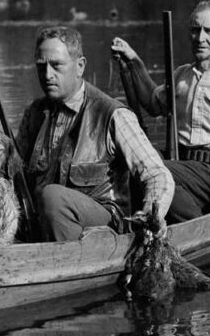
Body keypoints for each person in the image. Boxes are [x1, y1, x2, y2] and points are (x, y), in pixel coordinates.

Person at [110, 0, 210, 223]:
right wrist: (133, 61)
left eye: (208, 31)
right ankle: (191, 221)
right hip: (182, 167)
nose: (200, 38)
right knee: (138, 162)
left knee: (155, 173)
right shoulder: (181, 76)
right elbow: (151, 103)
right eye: (195, 30)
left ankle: (194, 224)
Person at [15, 25, 174, 242]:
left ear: (80, 66)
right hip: (47, 224)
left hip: (104, 228)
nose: (47, 75)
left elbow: (157, 174)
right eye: (41, 67)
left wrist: (150, 216)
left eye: (56, 65)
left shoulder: (112, 114)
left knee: (52, 196)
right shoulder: (34, 115)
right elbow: (14, 176)